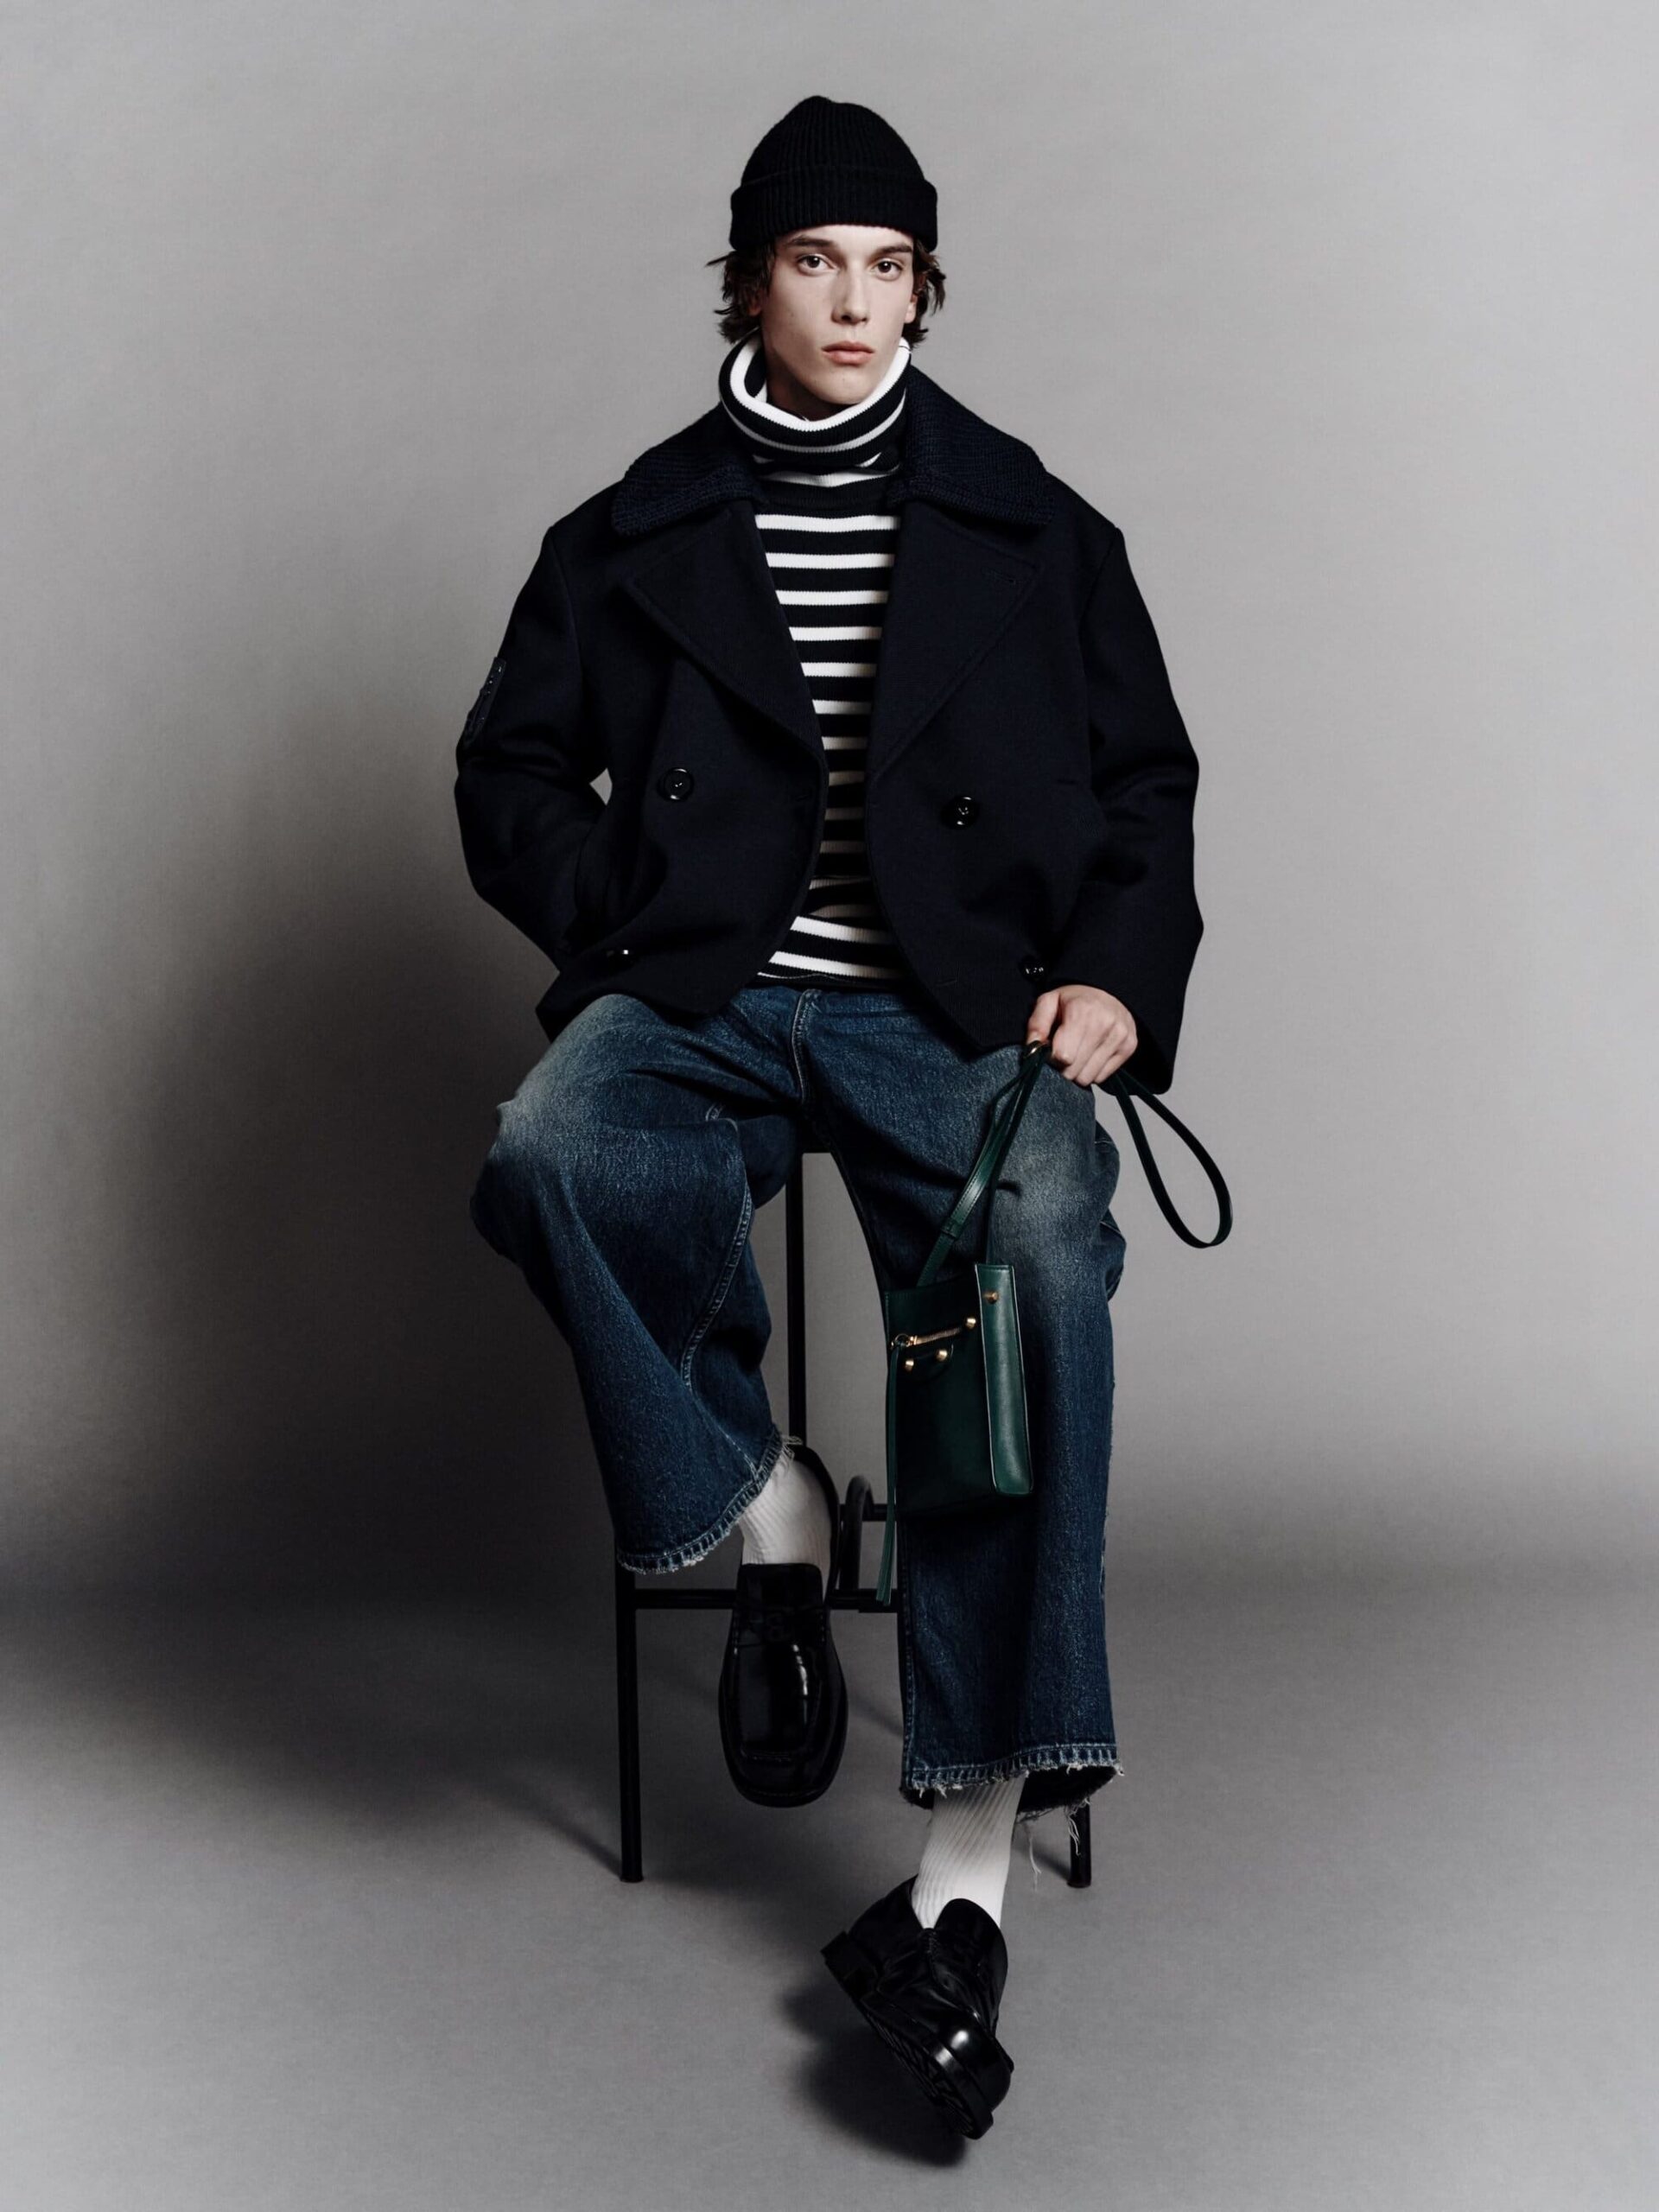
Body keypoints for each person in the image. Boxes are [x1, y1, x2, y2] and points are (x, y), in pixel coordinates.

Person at [455, 94, 1204, 2138]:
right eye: (815, 262)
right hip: (706, 988)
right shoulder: (631, 531)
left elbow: (1145, 787)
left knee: (1032, 1254)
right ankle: (766, 1500)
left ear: (925, 289)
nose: (856, 302)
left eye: (889, 266)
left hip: (943, 1011)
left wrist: (1116, 976)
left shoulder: (1037, 528)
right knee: (551, 1143)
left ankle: (960, 1877)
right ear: (749, 285)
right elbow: (508, 770)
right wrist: (628, 913)